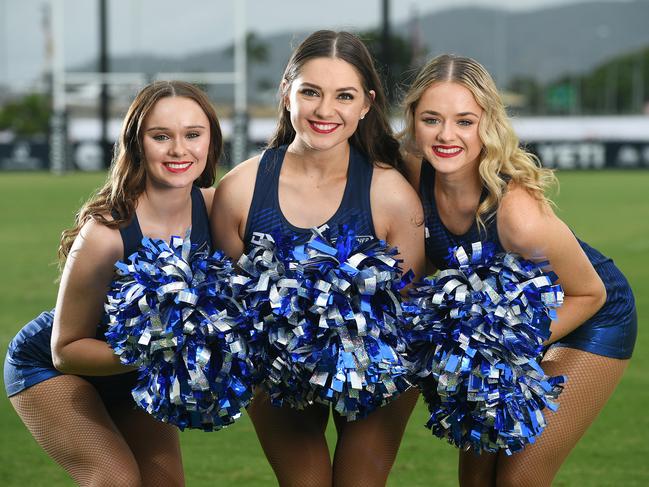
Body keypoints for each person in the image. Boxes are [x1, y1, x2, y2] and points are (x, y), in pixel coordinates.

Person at [400, 54, 637, 487]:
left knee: (519, 477)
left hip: (590, 315)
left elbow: (591, 294)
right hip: (496, 329)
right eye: (432, 119)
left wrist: (494, 351)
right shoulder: (413, 172)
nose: (446, 135)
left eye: (464, 122)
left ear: (487, 123)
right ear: (413, 120)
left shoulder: (517, 215)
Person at [211, 30, 425, 486]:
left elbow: (407, 312)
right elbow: (233, 312)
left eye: (344, 96)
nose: (325, 111)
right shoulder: (242, 189)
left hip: (375, 372)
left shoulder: (391, 194)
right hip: (277, 374)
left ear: (366, 105)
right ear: (286, 92)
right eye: (310, 92)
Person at [3, 80, 222, 486]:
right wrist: (166, 351)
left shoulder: (216, 209)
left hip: (132, 373)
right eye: (161, 136)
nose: (179, 149)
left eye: (193, 134)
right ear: (137, 143)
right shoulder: (105, 233)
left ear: (212, 139)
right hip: (53, 366)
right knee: (114, 479)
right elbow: (65, 350)